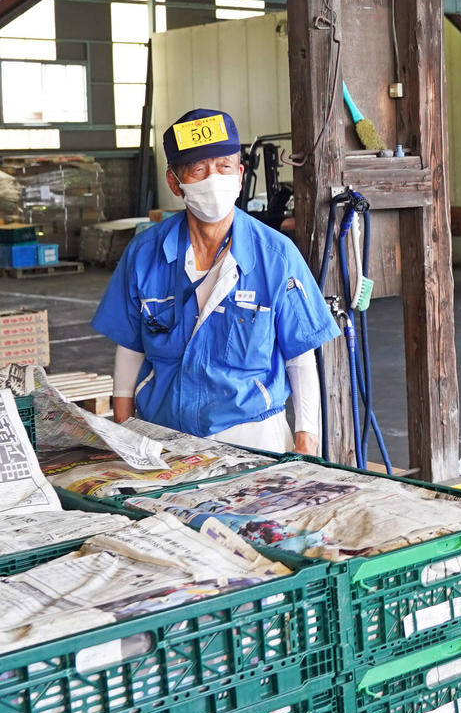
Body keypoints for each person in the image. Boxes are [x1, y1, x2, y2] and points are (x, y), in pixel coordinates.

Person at [93, 108, 339, 454]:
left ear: (239, 175)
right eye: (198, 170)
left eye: (224, 167)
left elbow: (300, 357)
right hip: (164, 435)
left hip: (254, 436)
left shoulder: (276, 256)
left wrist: (306, 441)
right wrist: (123, 426)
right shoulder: (145, 253)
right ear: (175, 182)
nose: (213, 179)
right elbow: (130, 346)